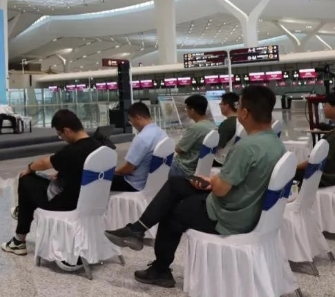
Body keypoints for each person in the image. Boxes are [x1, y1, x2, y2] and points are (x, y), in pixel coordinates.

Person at [104, 86, 286, 288]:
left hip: (229, 215)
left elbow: (221, 189)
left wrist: (214, 181)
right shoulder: (276, 143)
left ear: (244, 112)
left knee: (172, 211)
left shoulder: (247, 147)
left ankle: (160, 269)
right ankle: (137, 230)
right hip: (247, 207)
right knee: (176, 184)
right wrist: (212, 180)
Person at [1, 109, 102, 255]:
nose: (62, 138)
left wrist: (29, 168)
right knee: (41, 182)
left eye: (60, 134)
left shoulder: (71, 151)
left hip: (66, 203)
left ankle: (19, 240)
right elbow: (82, 170)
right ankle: (21, 212)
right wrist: (62, 175)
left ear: (67, 130)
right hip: (90, 201)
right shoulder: (99, 147)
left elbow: (44, 163)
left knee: (26, 180)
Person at [112, 102, 169, 192]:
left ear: (138, 117)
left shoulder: (141, 138)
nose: (132, 124)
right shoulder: (162, 133)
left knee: (100, 181)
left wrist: (113, 172)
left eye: (131, 120)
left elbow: (128, 169)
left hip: (135, 184)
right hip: (155, 181)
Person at [294, 92, 335, 188]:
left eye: (326, 104)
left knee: (294, 174)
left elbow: (315, 161)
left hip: (327, 177)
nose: (324, 107)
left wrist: (294, 168)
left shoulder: (333, 137)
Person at [169, 95, 215, 177]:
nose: (186, 111)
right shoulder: (212, 126)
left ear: (192, 110)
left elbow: (178, 149)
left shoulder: (195, 128)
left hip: (184, 168)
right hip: (197, 167)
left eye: (187, 108)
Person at [213, 92, 239, 167]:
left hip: (222, 161)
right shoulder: (242, 121)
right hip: (235, 159)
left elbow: (218, 146)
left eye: (221, 104)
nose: (220, 107)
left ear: (226, 106)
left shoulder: (227, 124)